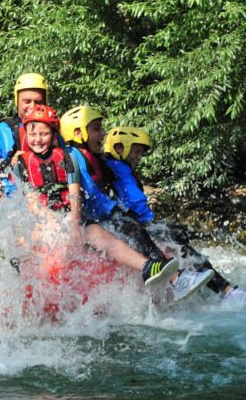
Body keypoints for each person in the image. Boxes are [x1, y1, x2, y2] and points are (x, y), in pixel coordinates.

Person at [11, 104, 207, 299]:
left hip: (69, 216)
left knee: (98, 234)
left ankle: (148, 266)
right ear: (25, 135)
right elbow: (31, 201)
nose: (38, 139)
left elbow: (74, 194)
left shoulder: (67, 158)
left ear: (54, 136)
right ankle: (22, 286)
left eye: (44, 134)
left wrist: (72, 225)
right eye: (33, 134)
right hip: (43, 217)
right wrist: (51, 222)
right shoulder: (21, 163)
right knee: (21, 238)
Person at [103, 126, 246, 307]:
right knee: (181, 246)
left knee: (180, 235)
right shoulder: (114, 167)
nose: (139, 157)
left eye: (141, 153)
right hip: (133, 228)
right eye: (137, 151)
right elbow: (132, 203)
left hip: (136, 224)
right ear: (119, 148)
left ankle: (212, 290)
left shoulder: (119, 167)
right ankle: (226, 292)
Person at [0, 73, 65, 195]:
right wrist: (9, 163)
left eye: (38, 102)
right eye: (27, 101)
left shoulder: (54, 133)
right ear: (17, 102)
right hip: (13, 202)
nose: (32, 107)